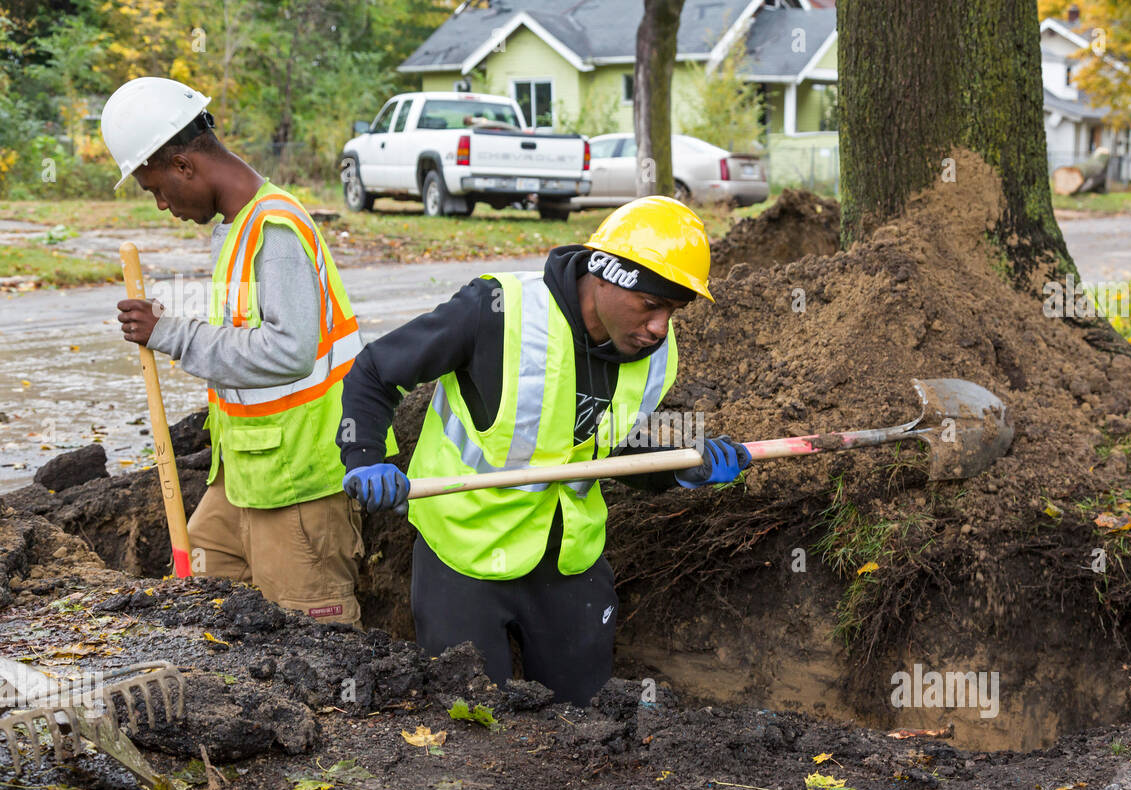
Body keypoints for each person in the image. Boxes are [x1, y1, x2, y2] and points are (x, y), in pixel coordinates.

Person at [338, 196, 751, 702]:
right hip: (465, 557)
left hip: (568, 563)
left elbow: (606, 447)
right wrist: (365, 457)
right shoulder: (498, 312)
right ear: (604, 274)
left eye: (673, 310)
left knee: (585, 726)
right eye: (650, 304)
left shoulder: (653, 353)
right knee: (471, 722)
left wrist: (682, 468)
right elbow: (377, 370)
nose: (660, 327)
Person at [101, 76, 392, 625]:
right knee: (194, 612)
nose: (162, 205)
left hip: (300, 487)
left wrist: (171, 332)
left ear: (185, 165)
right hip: (240, 481)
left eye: (157, 188)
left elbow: (289, 351)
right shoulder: (238, 229)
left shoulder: (274, 230)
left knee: (314, 654)